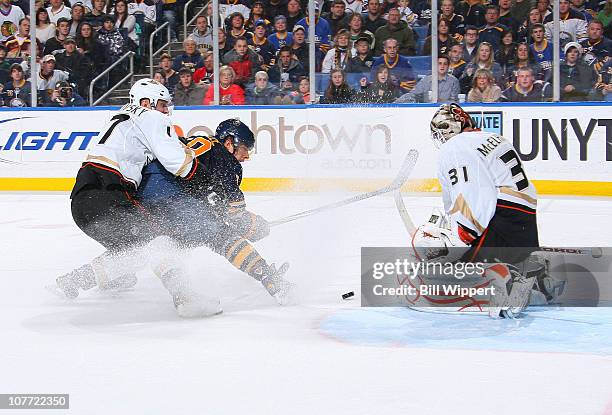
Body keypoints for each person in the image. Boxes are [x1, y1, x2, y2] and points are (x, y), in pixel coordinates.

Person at [54, 79, 220, 318]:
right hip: (109, 193)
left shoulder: (120, 117)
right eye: (162, 104)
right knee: (158, 242)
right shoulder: (151, 117)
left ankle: (72, 281)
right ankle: (185, 298)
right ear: (146, 103)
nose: (166, 111)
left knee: (133, 251)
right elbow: (178, 163)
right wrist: (211, 187)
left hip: (81, 201)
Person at [135, 119, 293, 305]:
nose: (246, 156)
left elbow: (210, 201)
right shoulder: (222, 155)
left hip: (143, 196)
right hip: (173, 195)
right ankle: (270, 278)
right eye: (244, 149)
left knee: (163, 246)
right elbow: (233, 208)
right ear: (229, 143)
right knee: (222, 235)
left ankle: (102, 276)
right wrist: (253, 225)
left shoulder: (195, 144)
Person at [424, 103, 547, 318]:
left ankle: (501, 278)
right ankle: (534, 273)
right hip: (523, 215)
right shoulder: (492, 137)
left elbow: (473, 190)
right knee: (516, 259)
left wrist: (467, 229)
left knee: (456, 275)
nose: (442, 138)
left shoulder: (456, 145)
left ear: (455, 126)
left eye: (443, 130)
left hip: (501, 215)